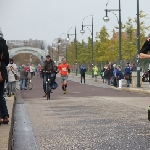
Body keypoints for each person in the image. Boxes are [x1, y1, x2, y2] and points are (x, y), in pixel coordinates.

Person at [0, 36, 9, 125]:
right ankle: (5, 116)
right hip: (2, 72)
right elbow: (6, 61)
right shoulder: (4, 44)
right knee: (1, 95)